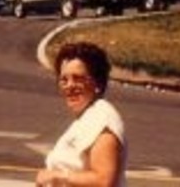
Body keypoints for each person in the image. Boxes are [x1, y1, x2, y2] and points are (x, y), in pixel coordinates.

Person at [36, 42, 126, 187]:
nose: (70, 85)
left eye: (78, 78)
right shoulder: (86, 119)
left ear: (97, 83)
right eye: (64, 80)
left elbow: (104, 181)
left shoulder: (103, 119)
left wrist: (56, 176)